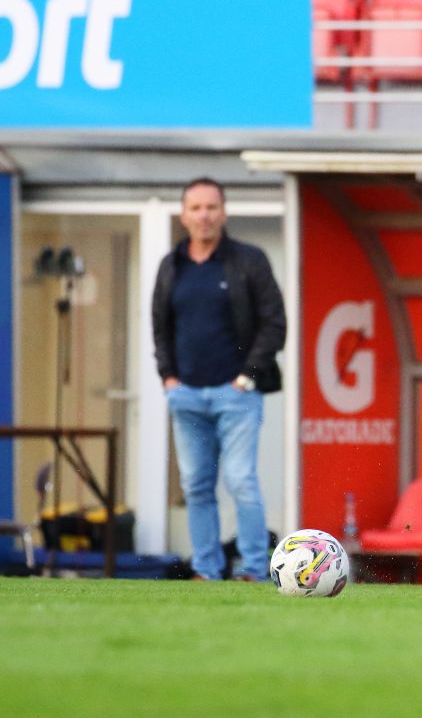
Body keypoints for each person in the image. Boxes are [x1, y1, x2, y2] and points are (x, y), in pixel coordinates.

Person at [152, 177, 286, 582]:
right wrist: (168, 378)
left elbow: (274, 324)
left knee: (241, 480)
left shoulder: (249, 260)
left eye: (211, 207)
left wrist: (246, 378)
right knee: (196, 484)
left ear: (224, 213)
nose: (204, 215)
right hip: (186, 394)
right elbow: (160, 327)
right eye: (195, 208)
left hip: (237, 395)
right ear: (183, 215)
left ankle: (254, 570)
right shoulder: (171, 265)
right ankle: (207, 570)